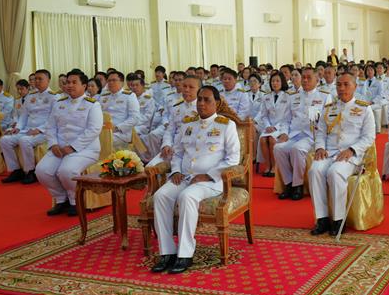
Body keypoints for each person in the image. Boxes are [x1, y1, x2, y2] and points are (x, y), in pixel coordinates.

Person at [151, 86, 240, 274]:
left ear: (217, 103)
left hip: (210, 181)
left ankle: (185, 253)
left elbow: (233, 159)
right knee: (160, 196)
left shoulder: (226, 125)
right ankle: (167, 252)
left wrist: (208, 175)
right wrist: (175, 170)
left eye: (206, 100)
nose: (201, 103)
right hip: (185, 177)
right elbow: (178, 152)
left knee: (187, 197)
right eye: (199, 99)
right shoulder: (188, 123)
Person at [309, 73, 375, 236]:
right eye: (339, 85)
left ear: (355, 86)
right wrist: (319, 148)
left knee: (335, 172)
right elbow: (321, 132)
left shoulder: (364, 108)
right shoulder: (329, 108)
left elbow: (369, 137)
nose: (342, 88)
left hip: (351, 155)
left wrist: (352, 150)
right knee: (314, 170)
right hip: (329, 152)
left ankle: (338, 220)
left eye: (346, 84)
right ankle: (322, 218)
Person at [35, 70, 103, 217]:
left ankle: (75, 200)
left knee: (66, 171)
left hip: (84, 149)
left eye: (74, 82)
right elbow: (50, 126)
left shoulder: (92, 105)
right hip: (59, 148)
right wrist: (53, 145)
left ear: (84, 85)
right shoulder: (59, 103)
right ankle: (61, 199)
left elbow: (94, 130)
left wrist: (72, 147)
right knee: (41, 171)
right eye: (67, 82)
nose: (69, 85)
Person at [273, 67, 331, 201]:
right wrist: (283, 133)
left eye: (308, 77)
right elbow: (286, 119)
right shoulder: (293, 97)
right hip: (293, 135)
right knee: (278, 148)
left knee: (297, 149)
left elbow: (327, 121)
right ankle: (288, 184)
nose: (305, 80)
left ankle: (298, 185)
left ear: (317, 79)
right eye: (303, 77)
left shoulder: (324, 96)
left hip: (312, 136)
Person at [0, 69, 56, 185]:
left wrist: (39, 129)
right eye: (35, 79)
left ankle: (31, 171)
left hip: (45, 131)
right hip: (27, 129)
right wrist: (18, 128)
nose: (37, 81)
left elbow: (54, 118)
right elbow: (24, 114)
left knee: (24, 140)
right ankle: (16, 170)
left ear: (48, 80)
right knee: (5, 140)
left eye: (40, 79)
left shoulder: (54, 96)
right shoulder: (31, 96)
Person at [256, 72, 291, 177]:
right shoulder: (266, 97)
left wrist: (275, 127)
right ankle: (268, 166)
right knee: (262, 139)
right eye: (272, 81)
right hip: (269, 126)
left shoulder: (288, 96)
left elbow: (288, 117)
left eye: (277, 81)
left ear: (282, 82)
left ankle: (275, 167)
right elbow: (263, 115)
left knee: (271, 139)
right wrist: (267, 126)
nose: (274, 83)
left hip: (282, 126)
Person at [99, 70, 140, 150]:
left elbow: (135, 118)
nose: (110, 83)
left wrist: (117, 128)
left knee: (101, 141)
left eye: (114, 80)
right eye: (109, 81)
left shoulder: (129, 96)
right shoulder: (104, 96)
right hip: (103, 130)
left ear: (122, 82)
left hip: (120, 132)